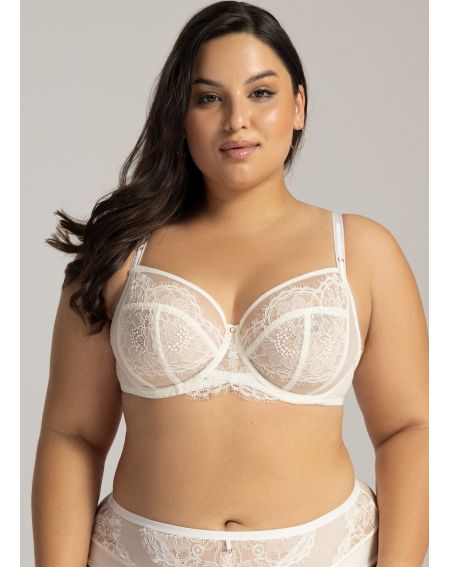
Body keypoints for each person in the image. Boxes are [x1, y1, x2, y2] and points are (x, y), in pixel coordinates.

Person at [31, 2, 429, 566]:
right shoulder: (118, 252)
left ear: (299, 105)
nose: (236, 120)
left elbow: (409, 429)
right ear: (180, 115)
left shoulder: (363, 252)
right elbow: (72, 435)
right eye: (208, 98)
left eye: (261, 93)